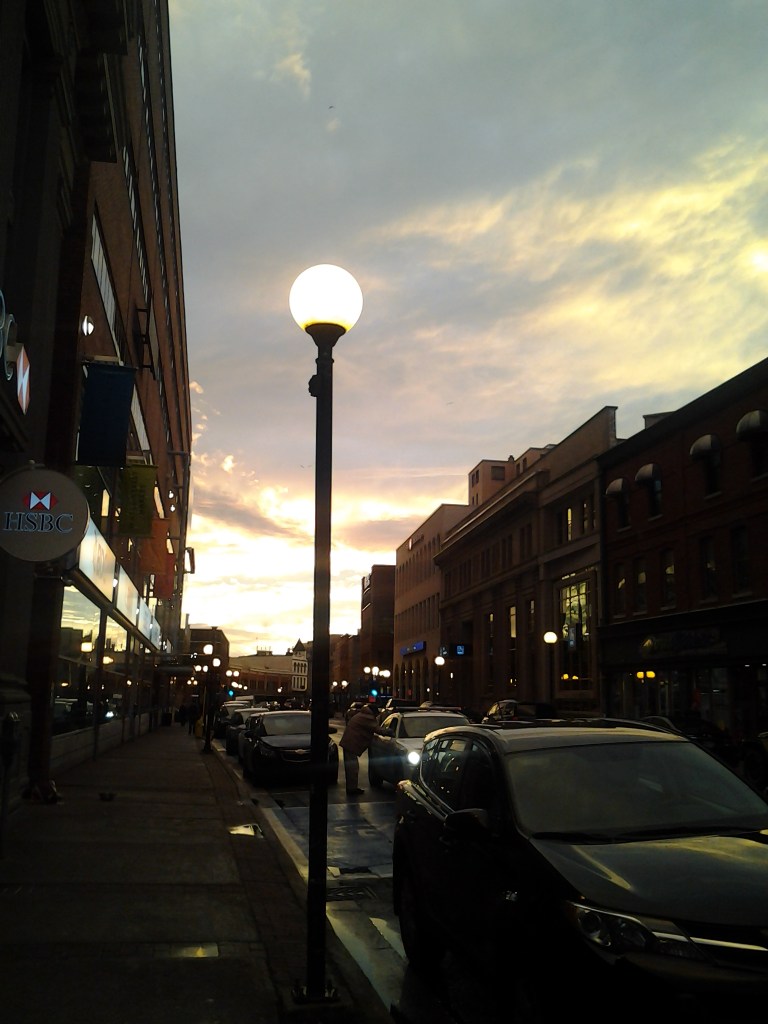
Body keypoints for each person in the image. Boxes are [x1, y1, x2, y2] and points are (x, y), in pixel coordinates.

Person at [339, 702, 389, 796]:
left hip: (349, 743)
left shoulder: (362, 715)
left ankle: (352, 788)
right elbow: (377, 729)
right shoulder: (367, 718)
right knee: (352, 768)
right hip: (351, 744)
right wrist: (389, 732)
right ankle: (352, 789)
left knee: (351, 768)